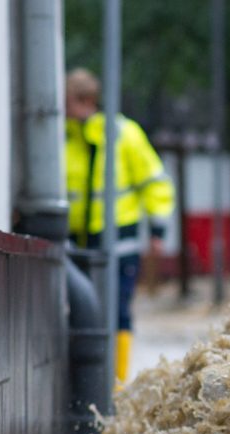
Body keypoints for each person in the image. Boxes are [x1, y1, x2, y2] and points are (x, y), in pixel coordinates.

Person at [65, 67, 174, 388]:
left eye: (68, 101)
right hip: (76, 243)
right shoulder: (61, 136)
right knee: (82, 315)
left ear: (86, 101)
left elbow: (155, 183)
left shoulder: (124, 134)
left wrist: (158, 231)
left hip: (118, 242)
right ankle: (86, 382)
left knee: (117, 311)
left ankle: (114, 386)